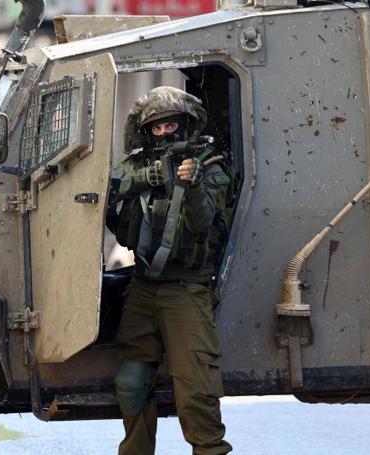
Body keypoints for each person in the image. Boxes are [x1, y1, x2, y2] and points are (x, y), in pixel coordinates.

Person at [107, 86, 233, 455]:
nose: (166, 133)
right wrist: (149, 178)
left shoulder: (210, 166)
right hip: (144, 286)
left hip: (187, 290)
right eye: (157, 127)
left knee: (196, 390)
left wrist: (189, 185)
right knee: (131, 381)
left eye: (172, 124)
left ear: (187, 124)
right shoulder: (135, 165)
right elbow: (106, 194)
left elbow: (202, 221)